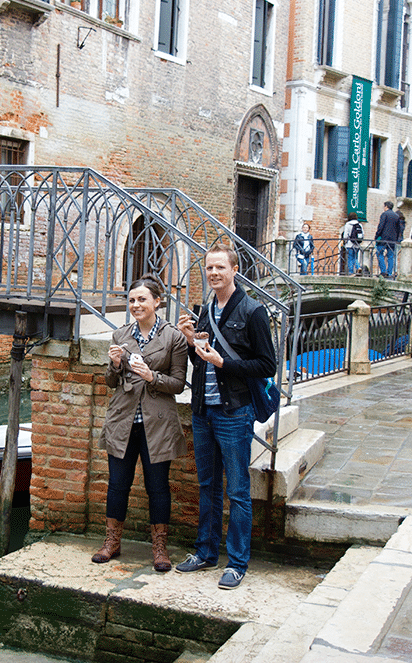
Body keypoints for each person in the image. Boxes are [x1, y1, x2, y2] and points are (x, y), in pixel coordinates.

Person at [174, 244, 277, 590]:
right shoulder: (205, 312)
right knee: (207, 485)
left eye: (220, 267)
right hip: (204, 410)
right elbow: (199, 361)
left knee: (237, 489)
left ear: (235, 270)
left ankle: (237, 562)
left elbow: (267, 365)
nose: (214, 273)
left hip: (234, 412)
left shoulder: (252, 311)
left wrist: (225, 363)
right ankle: (205, 551)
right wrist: (191, 342)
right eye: (209, 268)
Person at [93, 275, 189, 572]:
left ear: (157, 302)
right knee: (117, 485)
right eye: (132, 300)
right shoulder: (120, 335)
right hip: (123, 420)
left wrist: (151, 377)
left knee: (157, 487)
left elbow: (178, 384)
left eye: (142, 299)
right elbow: (111, 382)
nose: (136, 305)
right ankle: (112, 542)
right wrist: (114, 364)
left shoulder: (174, 337)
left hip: (156, 423)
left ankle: (159, 548)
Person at [374, 201, 404, 278]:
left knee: (379, 253)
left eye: (384, 206)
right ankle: (389, 272)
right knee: (391, 255)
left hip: (383, 238)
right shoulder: (396, 216)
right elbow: (398, 229)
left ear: (386, 207)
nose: (384, 208)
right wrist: (396, 238)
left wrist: (377, 235)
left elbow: (381, 226)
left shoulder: (384, 214)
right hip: (392, 240)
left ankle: (383, 271)